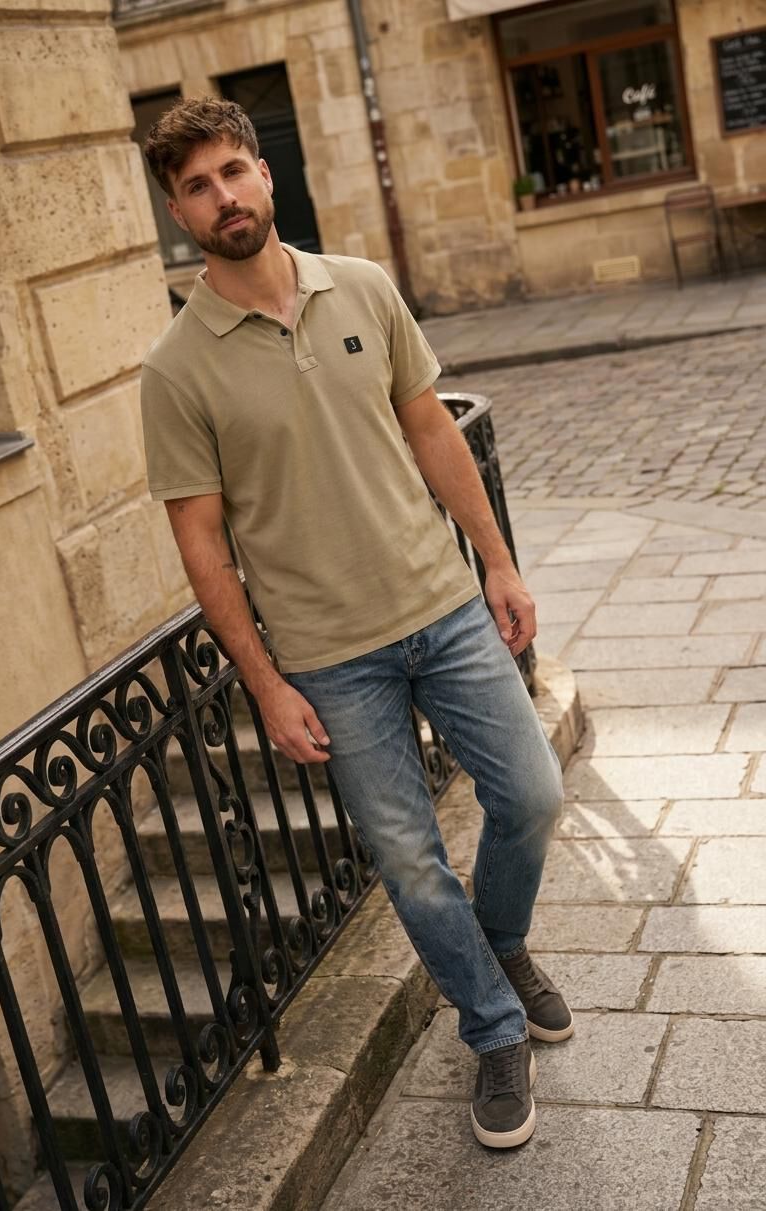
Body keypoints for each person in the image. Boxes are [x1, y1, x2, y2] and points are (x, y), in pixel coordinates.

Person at [140, 97, 571, 1150]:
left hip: (442, 604)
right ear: (177, 212)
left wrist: (497, 562)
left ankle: (500, 939)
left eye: (232, 171)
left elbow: (431, 430)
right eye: (196, 186)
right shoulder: (175, 370)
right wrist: (265, 684)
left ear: (264, 174)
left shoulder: (364, 287)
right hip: (331, 660)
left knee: (531, 794)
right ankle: (492, 1024)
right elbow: (203, 545)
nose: (222, 196)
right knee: (410, 863)